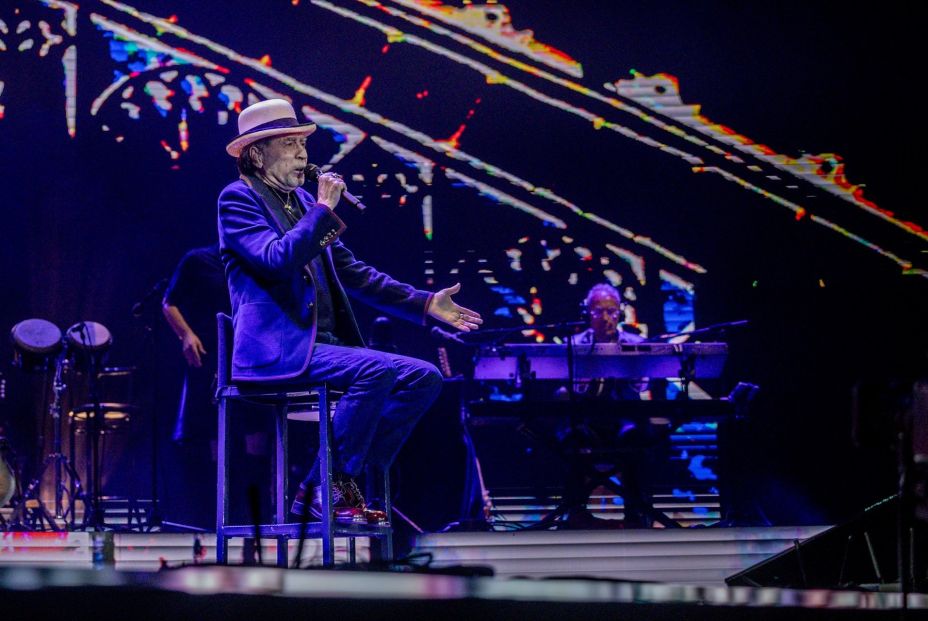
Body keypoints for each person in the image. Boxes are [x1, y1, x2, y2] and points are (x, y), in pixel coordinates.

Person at [218, 99, 482, 525]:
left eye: (302, 142)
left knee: (424, 377)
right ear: (256, 154)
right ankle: (335, 487)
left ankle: (331, 484)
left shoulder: (302, 203)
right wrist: (323, 210)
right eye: (289, 144)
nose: (303, 153)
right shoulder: (238, 200)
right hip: (276, 350)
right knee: (375, 371)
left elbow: (354, 274)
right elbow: (274, 259)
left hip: (322, 347)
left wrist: (426, 302)